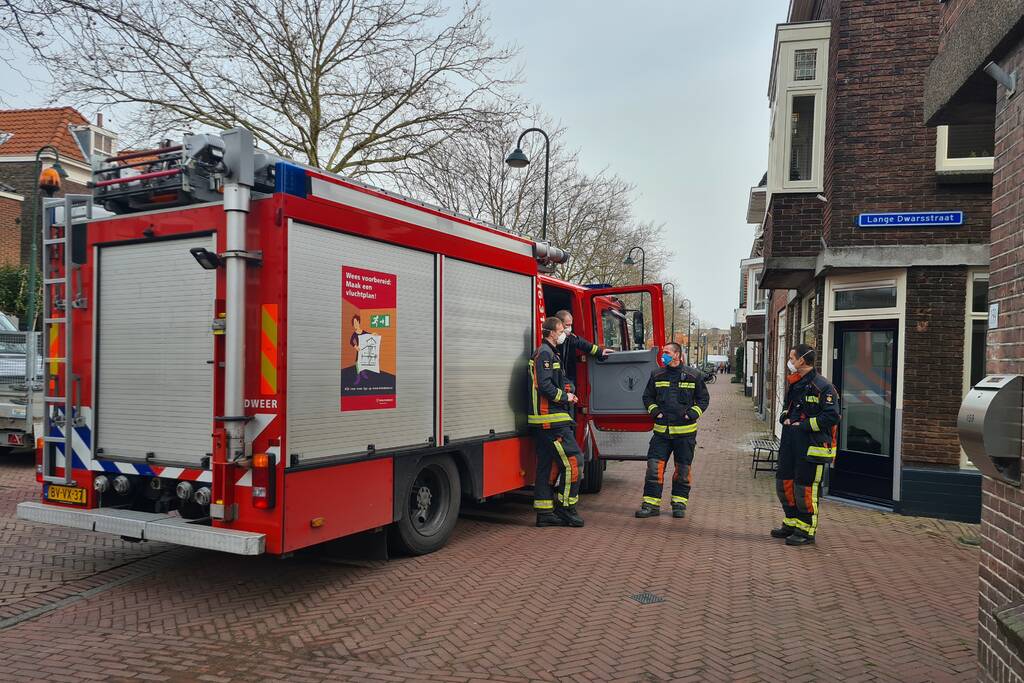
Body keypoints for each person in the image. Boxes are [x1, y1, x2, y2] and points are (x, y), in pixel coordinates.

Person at [772, 344, 840, 546]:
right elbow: (788, 408)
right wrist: (784, 417)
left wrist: (803, 425)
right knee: (784, 485)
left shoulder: (824, 387)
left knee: (805, 489)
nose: (790, 362)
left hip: (811, 446)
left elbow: (832, 416)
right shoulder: (795, 383)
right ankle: (791, 523)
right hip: (790, 443)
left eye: (792, 358)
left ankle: (806, 530)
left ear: (802, 360)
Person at [635, 343, 710, 519]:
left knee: (682, 470)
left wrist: (692, 413)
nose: (664, 355)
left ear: (677, 354)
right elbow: (647, 396)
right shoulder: (657, 374)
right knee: (654, 468)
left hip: (685, 434)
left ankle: (679, 504)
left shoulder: (694, 376)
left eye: (667, 352)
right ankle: (651, 505)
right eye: (663, 353)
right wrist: (655, 412)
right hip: (661, 434)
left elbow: (703, 399)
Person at [528, 316, 585, 528]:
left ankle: (544, 513)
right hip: (550, 420)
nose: (564, 333)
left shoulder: (551, 353)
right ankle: (566, 508)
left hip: (547, 420)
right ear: (551, 332)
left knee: (545, 466)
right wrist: (565, 397)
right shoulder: (544, 353)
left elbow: (556, 381)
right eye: (562, 329)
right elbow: (544, 385)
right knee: (574, 461)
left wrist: (569, 390)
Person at [553, 309, 611, 383]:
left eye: (571, 325)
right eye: (567, 325)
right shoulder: (549, 340)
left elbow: (582, 344)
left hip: (566, 378)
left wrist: (600, 351)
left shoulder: (570, 337)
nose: (569, 328)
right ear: (558, 324)